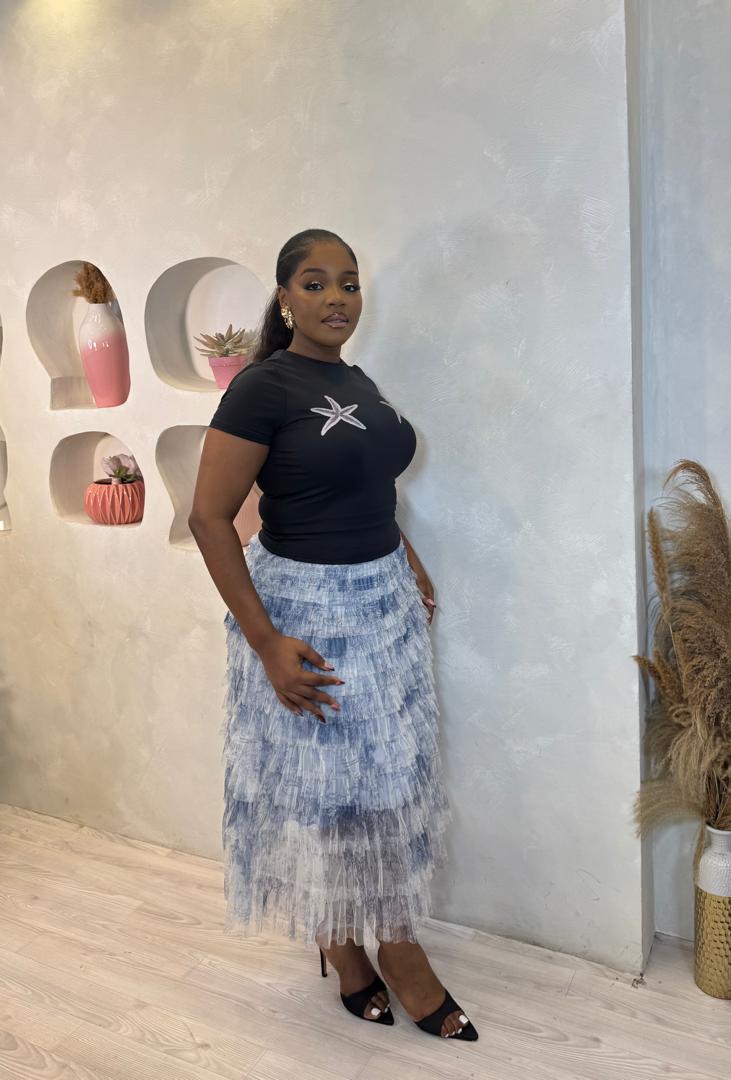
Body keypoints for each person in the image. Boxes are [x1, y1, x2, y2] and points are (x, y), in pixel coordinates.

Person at [189, 229, 478, 1042]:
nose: (336, 298)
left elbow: (364, 481)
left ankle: (375, 936)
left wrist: (407, 557)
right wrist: (266, 644)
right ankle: (360, 946)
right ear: (285, 298)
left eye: (348, 283)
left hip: (382, 608)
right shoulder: (261, 387)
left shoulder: (355, 379)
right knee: (324, 795)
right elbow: (209, 518)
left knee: (387, 787)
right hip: (304, 614)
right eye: (314, 283)